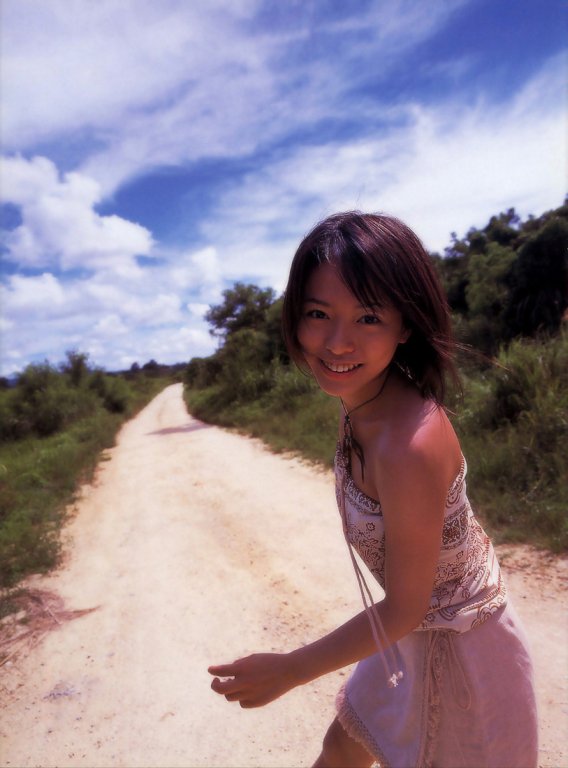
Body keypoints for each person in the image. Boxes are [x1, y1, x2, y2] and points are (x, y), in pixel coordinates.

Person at [208, 211, 538, 768]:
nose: (338, 343)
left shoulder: (408, 447)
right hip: (409, 636)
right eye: (318, 314)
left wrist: (290, 669)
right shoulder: (360, 404)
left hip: (464, 649)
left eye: (368, 317)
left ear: (404, 326)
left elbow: (406, 606)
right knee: (341, 751)